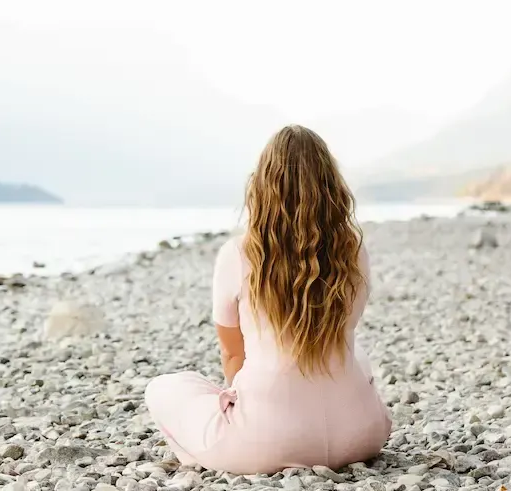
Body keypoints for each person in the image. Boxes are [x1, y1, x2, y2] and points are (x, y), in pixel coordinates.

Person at [143, 125, 391, 475]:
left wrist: (243, 402)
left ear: (262, 184)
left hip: (267, 442)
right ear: (331, 185)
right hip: (362, 435)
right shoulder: (354, 249)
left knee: (162, 388)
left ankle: (213, 451)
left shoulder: (238, 254)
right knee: (354, 353)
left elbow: (232, 353)